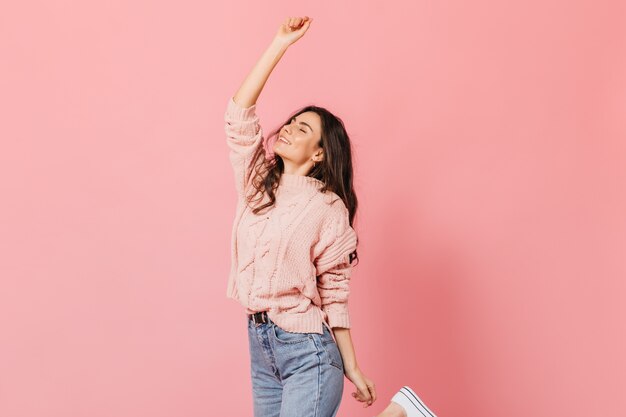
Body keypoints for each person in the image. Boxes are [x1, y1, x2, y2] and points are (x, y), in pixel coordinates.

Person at [224, 15, 376, 417]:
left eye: (303, 127)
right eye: (291, 121)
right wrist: (279, 43)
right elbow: (239, 115)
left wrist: (352, 367)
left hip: (307, 351)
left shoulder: (328, 209)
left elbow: (335, 293)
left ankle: (397, 413)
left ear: (320, 153)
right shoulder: (257, 182)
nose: (289, 127)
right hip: (261, 349)